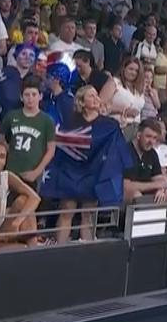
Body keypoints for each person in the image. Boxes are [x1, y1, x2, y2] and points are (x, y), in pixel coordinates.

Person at [42, 85, 130, 243]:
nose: (96, 98)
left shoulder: (109, 125)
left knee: (87, 215)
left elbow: (115, 151)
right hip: (69, 173)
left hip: (93, 174)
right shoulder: (69, 122)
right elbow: (58, 144)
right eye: (91, 96)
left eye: (97, 95)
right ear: (81, 102)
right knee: (66, 212)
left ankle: (87, 251)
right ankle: (58, 251)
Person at [0, 77, 56, 188]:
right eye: (27, 95)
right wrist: (8, 150)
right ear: (21, 97)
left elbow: (51, 150)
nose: (30, 98)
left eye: (34, 94)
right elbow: (0, 137)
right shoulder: (12, 116)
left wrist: (36, 172)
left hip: (33, 172)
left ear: (40, 96)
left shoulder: (47, 120)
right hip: (11, 171)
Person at [122, 119, 167, 203]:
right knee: (137, 195)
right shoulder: (125, 151)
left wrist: (160, 190)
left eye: (154, 138)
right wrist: (155, 185)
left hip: (145, 191)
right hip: (124, 193)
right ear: (138, 135)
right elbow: (126, 185)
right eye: (148, 136)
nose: (151, 141)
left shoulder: (152, 153)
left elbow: (158, 178)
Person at [0, 43, 37, 123]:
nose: (27, 57)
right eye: (23, 53)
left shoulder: (35, 79)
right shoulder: (5, 74)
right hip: (2, 123)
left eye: (31, 55)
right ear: (16, 56)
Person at [109, 58, 145, 131]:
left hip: (135, 128)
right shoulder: (114, 83)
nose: (133, 73)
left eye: (136, 71)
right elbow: (101, 106)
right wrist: (124, 110)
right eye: (131, 69)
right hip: (116, 126)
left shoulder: (139, 89)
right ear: (124, 68)